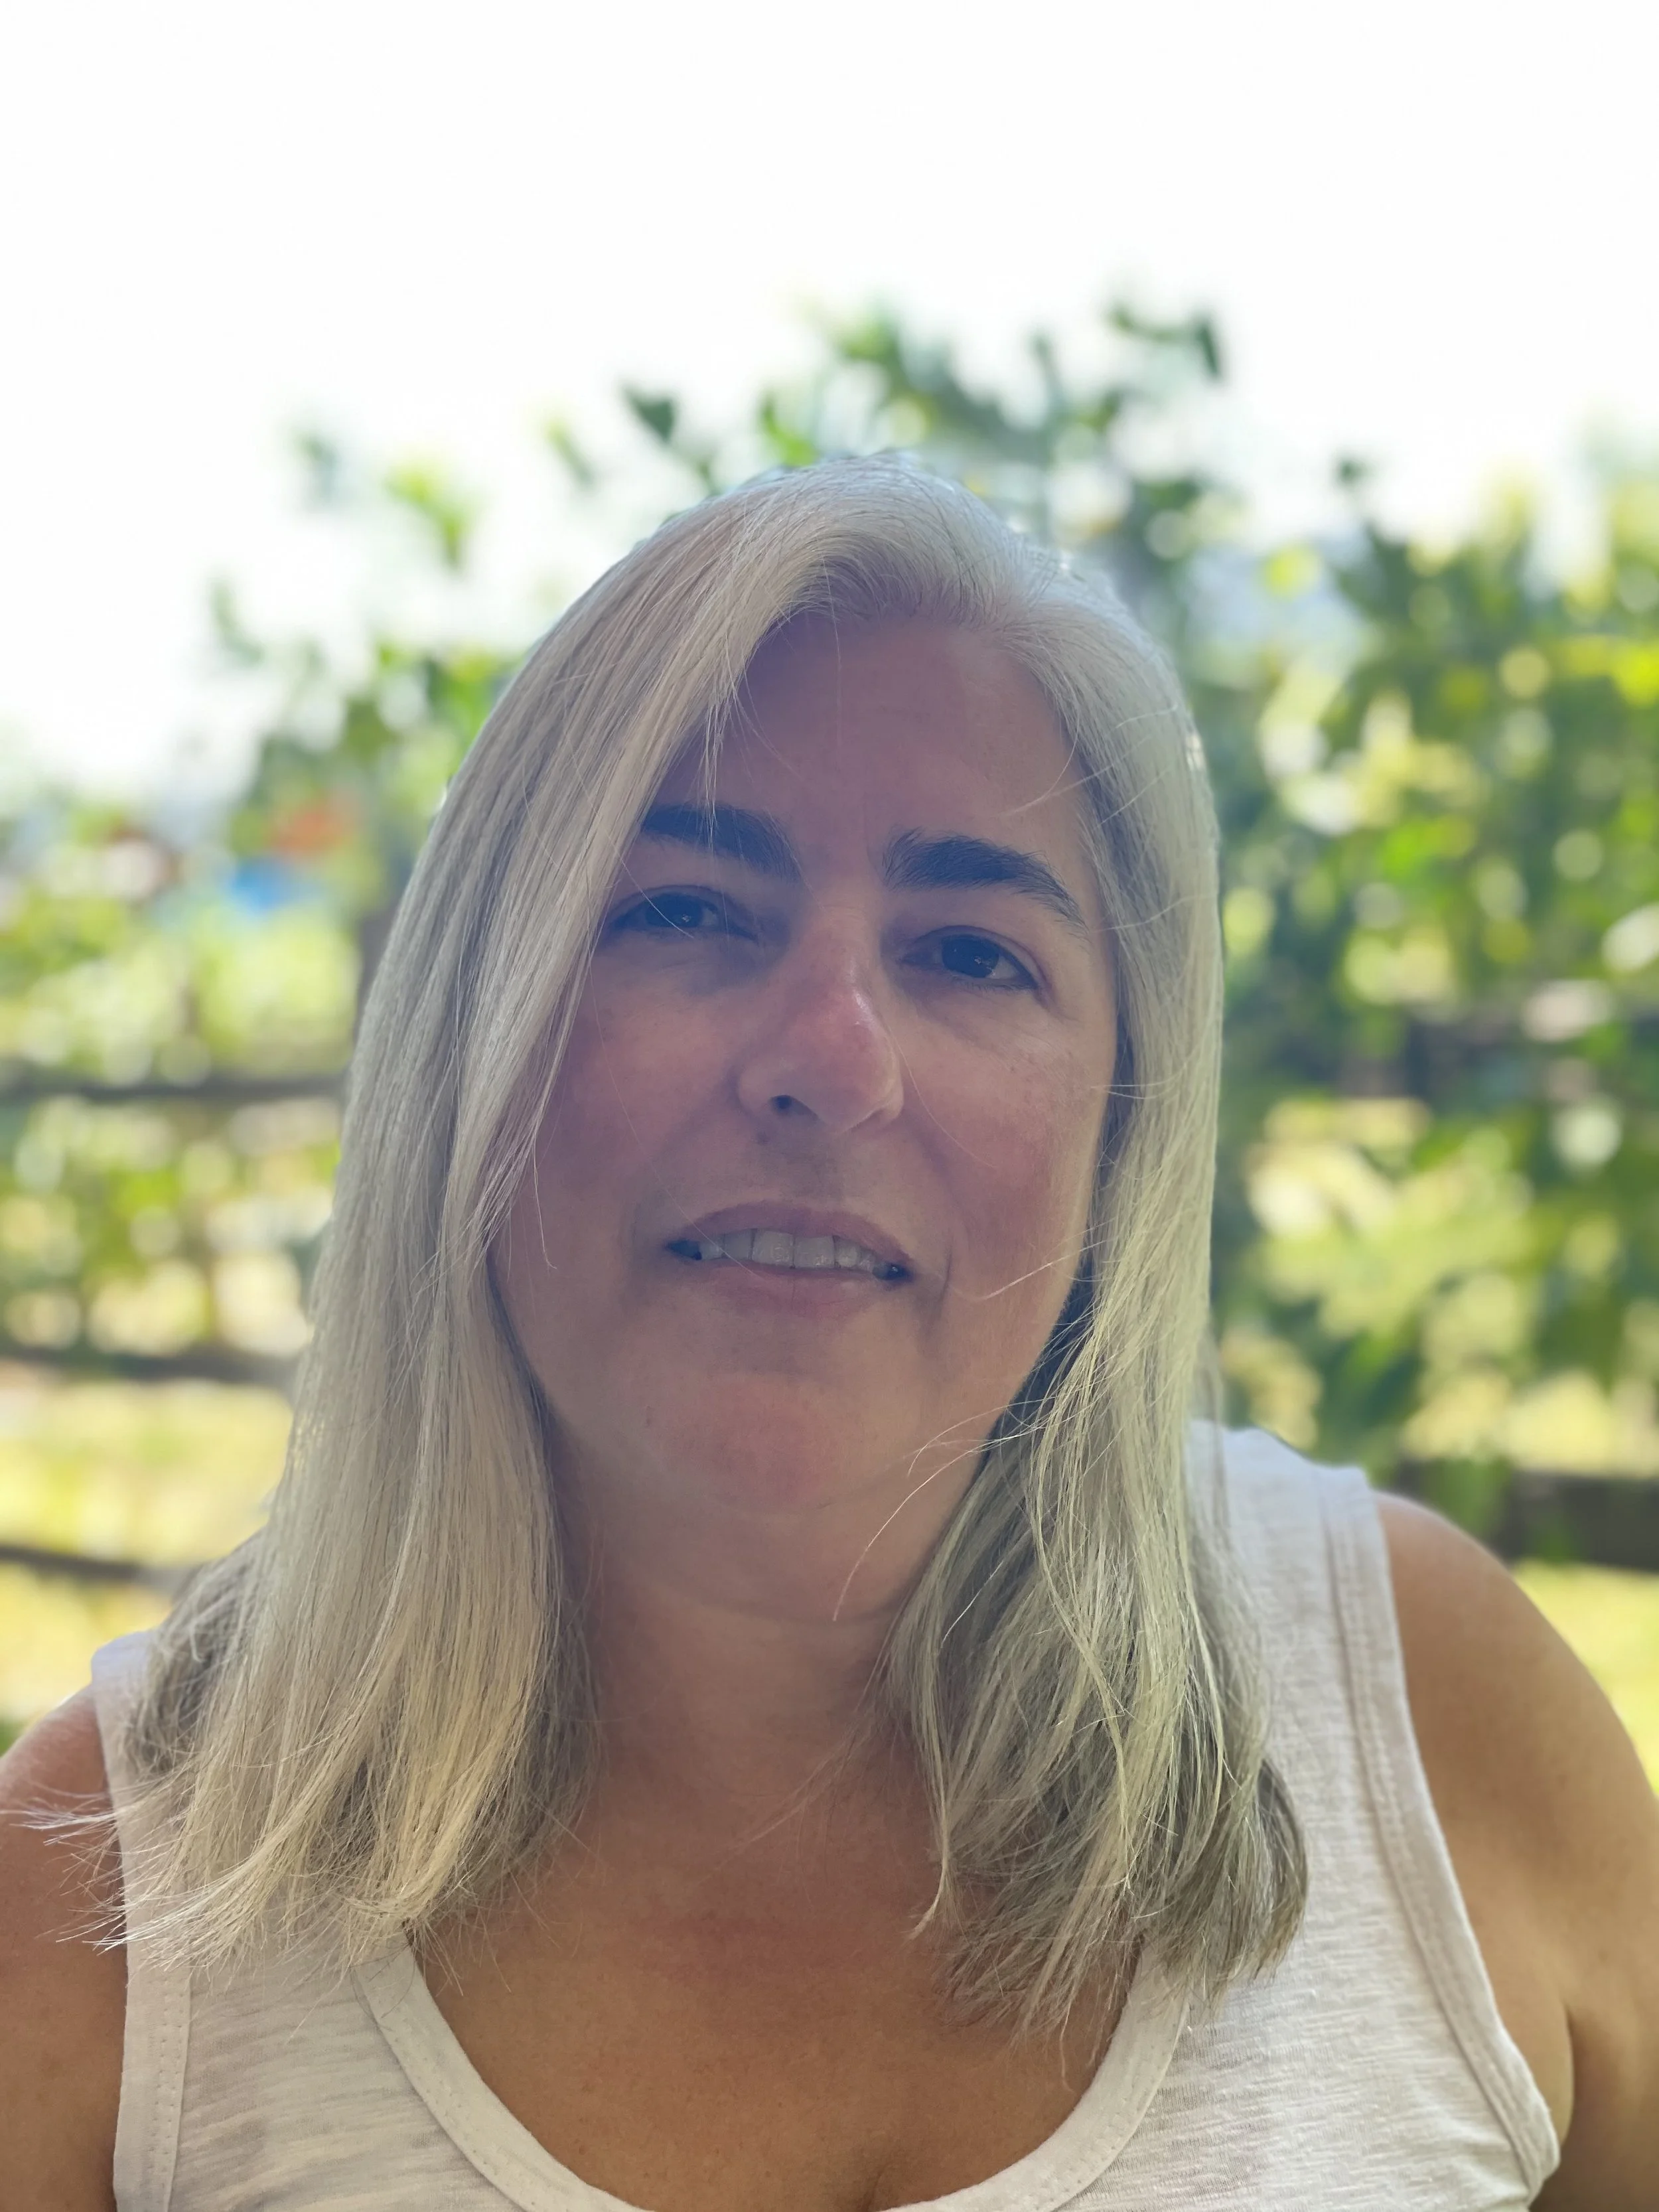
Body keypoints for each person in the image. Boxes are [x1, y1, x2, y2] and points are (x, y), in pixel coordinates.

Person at [1, 459, 1656, 2212]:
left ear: (1123, 1123)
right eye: (686, 911)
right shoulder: (91, 1915)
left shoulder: (1434, 1713)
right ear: (470, 1036)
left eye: (972, 951)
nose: (831, 1057)